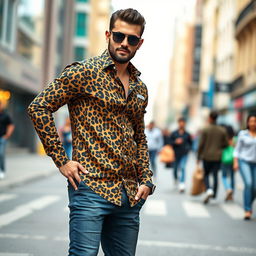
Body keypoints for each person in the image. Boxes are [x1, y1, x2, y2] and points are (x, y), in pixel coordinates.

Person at [28, 8, 155, 256]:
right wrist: (62, 160)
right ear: (108, 34)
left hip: (129, 196)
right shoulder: (84, 72)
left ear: (139, 43)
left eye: (131, 39)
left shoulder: (141, 87)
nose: (124, 43)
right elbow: (39, 107)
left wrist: (147, 180)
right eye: (119, 36)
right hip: (91, 188)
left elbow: (139, 137)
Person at [197, 111, 229, 204]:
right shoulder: (222, 130)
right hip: (217, 157)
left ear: (210, 118)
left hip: (206, 156)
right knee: (215, 175)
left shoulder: (205, 129)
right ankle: (214, 193)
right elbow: (226, 144)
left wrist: (198, 157)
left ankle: (209, 190)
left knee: (206, 174)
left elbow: (201, 144)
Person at [233, 113, 256, 220]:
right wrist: (235, 162)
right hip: (244, 162)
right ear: (247, 122)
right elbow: (237, 150)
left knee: (255, 187)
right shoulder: (243, 134)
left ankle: (248, 204)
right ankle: (247, 209)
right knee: (249, 184)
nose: (253, 123)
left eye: (255, 121)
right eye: (251, 121)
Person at [170, 117, 192, 192]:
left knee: (182, 167)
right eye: (180, 122)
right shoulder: (174, 133)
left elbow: (190, 143)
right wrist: (175, 142)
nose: (181, 124)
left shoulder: (187, 134)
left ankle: (182, 184)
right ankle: (176, 179)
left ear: (185, 123)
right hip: (175, 154)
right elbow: (169, 142)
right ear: (178, 123)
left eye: (183, 122)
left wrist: (188, 149)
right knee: (175, 169)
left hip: (184, 154)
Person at [0, 101, 15, 179]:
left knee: (1, 154)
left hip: (2, 138)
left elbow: (11, 125)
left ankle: (2, 171)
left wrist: (7, 135)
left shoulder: (5, 116)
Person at [221, 125, 236, 201]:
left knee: (224, 176)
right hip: (233, 160)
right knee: (232, 177)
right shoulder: (235, 139)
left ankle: (228, 188)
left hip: (224, 159)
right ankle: (231, 194)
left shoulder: (224, 139)